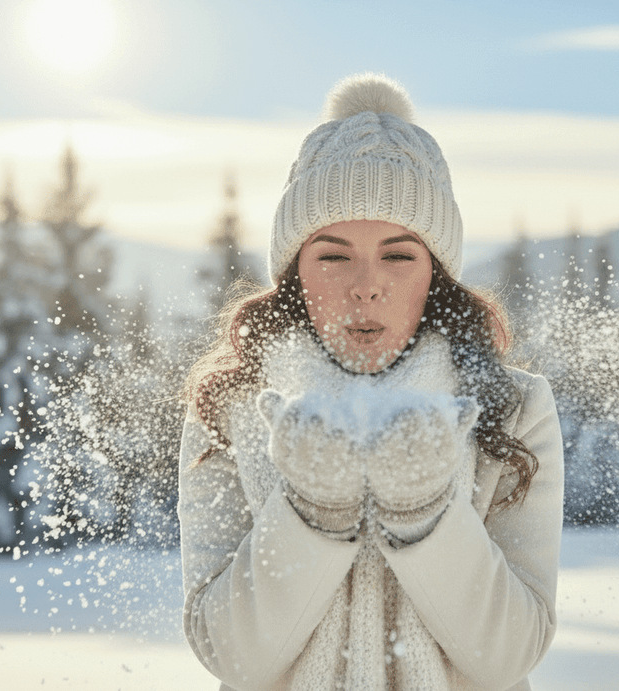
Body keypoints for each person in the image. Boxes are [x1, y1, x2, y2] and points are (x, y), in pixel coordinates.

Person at [178, 73, 564, 691]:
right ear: (294, 273)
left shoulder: (512, 409)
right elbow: (231, 657)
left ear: (435, 274)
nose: (365, 284)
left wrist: (424, 509)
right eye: (332, 255)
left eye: (398, 254)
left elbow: (510, 655)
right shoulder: (232, 405)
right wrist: (314, 511)